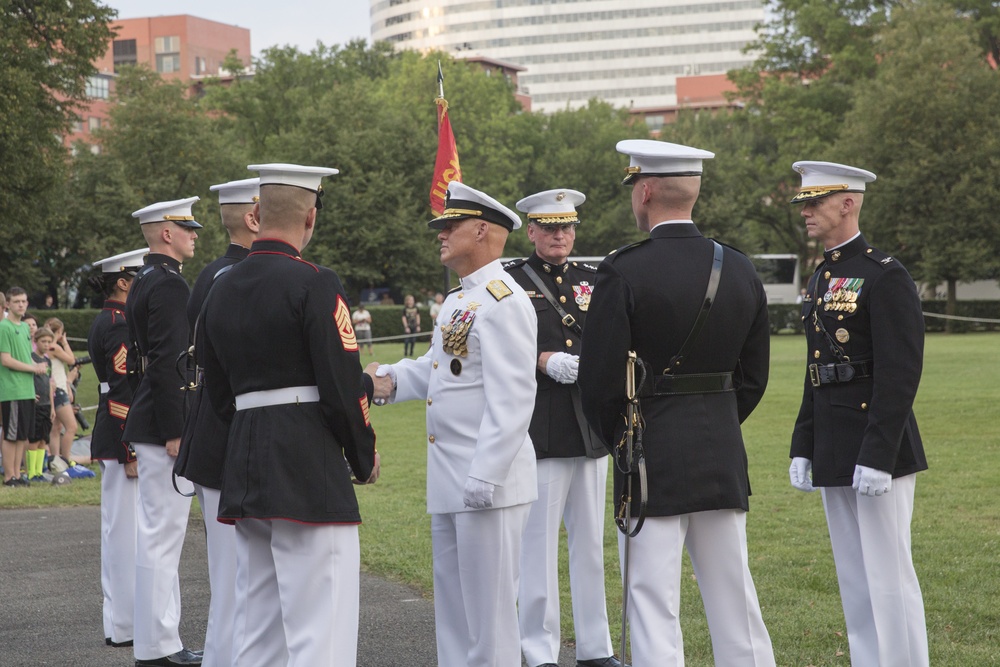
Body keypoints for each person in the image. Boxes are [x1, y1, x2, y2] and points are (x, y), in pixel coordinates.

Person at [578, 140, 775, 667]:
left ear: (644, 192)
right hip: (720, 449)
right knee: (735, 596)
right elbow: (754, 377)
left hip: (649, 453)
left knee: (651, 600)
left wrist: (621, 436)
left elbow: (598, 384)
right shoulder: (739, 267)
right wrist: (715, 418)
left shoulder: (622, 270)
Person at [200, 163, 379, 667]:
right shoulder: (316, 283)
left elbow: (215, 391)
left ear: (256, 215)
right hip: (307, 465)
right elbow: (342, 387)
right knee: (321, 625)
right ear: (311, 218)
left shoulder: (219, 286)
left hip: (246, 457)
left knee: (259, 627)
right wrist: (362, 456)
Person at [369, 181, 537, 667]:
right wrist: (389, 380)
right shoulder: (462, 299)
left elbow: (514, 396)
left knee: (490, 619)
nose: (440, 234)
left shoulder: (504, 300)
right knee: (456, 613)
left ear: (482, 230)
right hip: (452, 480)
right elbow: (442, 371)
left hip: (487, 483)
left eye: (450, 225)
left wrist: (486, 473)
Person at [787, 161, 928, 667]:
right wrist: (803, 444)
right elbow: (817, 367)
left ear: (848, 202)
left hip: (876, 444)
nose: (806, 211)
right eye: (804, 202)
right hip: (833, 438)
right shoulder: (822, 275)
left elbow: (900, 372)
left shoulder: (884, 274)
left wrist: (878, 454)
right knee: (855, 575)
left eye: (815, 201)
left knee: (889, 576)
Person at [504, 189, 621, 667]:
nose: (560, 235)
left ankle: (596, 649)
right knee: (538, 548)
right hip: (543, 427)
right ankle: (539, 650)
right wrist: (540, 360)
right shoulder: (512, 283)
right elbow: (491, 345)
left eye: (567, 226)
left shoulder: (595, 279)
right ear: (530, 230)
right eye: (549, 227)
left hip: (591, 425)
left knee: (590, 545)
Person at [174, 177, 259, 667]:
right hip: (232, 432)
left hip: (208, 429)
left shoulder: (209, 273)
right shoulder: (248, 277)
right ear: (253, 217)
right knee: (241, 575)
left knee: (227, 571)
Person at [123, 196, 203, 667]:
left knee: (156, 533)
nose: (194, 234)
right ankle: (159, 646)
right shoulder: (170, 285)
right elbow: (174, 360)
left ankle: (159, 640)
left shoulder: (145, 280)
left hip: (149, 416)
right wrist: (177, 427)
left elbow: (145, 361)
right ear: (166, 233)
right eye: (186, 227)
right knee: (161, 536)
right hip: (163, 423)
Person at [88, 247, 147, 649]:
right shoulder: (120, 322)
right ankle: (124, 625)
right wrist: (131, 449)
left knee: (119, 531)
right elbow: (122, 387)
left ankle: (120, 622)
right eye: (137, 276)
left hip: (112, 430)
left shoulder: (106, 319)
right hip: (119, 433)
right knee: (125, 534)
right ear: (123, 282)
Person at [1, 287, 50, 487]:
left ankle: (18, 474)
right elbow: (5, 360)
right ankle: (9, 476)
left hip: (26, 389)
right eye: (16, 301)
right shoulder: (4, 327)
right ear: (8, 305)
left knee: (22, 435)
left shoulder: (24, 328)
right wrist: (32, 368)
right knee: (11, 435)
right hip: (12, 389)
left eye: (24, 301)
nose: (21, 305)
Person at [43, 317, 81, 474]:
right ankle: (65, 459)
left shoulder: (45, 347)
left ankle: (55, 459)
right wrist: (64, 343)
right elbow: (71, 359)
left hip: (55, 389)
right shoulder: (54, 347)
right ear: (58, 332)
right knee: (72, 427)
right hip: (58, 390)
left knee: (56, 428)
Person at [28, 324, 55, 483]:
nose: (46, 344)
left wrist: (52, 406)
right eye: (43, 341)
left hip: (46, 404)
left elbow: (50, 384)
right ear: (36, 341)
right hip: (36, 405)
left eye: (48, 341)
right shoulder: (31, 358)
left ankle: (39, 472)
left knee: (43, 439)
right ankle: (31, 472)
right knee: (34, 438)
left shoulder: (48, 361)